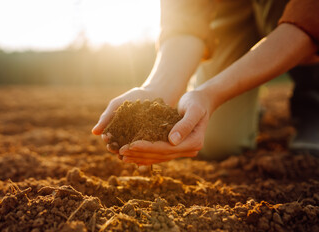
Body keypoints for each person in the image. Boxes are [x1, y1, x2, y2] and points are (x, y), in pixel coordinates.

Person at [92, 0, 319, 165]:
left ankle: (312, 95)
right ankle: (247, 103)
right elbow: (185, 22)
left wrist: (212, 94)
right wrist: (158, 89)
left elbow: (309, 18)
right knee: (216, 142)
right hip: (232, 9)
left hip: (294, 10)